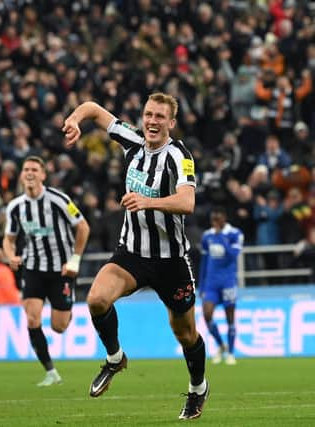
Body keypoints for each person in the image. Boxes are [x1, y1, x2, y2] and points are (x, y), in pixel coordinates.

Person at [62, 92, 208, 420]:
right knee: (97, 299)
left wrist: (147, 201)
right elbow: (94, 109)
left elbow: (187, 203)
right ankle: (115, 358)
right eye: (148, 114)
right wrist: (74, 119)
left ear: (171, 123)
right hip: (132, 253)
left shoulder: (179, 156)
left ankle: (198, 388)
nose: (152, 121)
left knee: (185, 333)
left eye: (160, 117)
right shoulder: (132, 141)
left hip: (171, 261)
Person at [2, 156, 90, 387]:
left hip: (62, 269)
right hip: (33, 268)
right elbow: (8, 239)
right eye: (26, 169)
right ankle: (51, 372)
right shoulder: (15, 207)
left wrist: (75, 259)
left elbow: (83, 227)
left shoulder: (59, 200)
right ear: (21, 175)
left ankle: (67, 308)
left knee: (58, 327)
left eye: (34, 169)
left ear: (43, 175)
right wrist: (11, 256)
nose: (29, 173)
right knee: (32, 319)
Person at [199, 206, 244, 365]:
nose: (215, 223)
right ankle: (221, 345)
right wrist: (201, 285)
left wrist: (222, 239)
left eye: (217, 220)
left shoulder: (235, 234)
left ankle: (231, 353)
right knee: (207, 314)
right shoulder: (207, 236)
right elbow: (204, 261)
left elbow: (233, 255)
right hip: (211, 283)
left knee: (230, 317)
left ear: (224, 219)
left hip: (228, 282)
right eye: (213, 220)